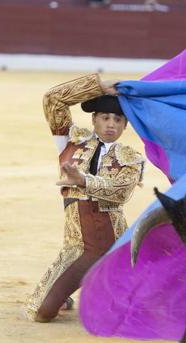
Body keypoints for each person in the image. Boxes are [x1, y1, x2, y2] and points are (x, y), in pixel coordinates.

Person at [22, 74, 145, 322]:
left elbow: (121, 191)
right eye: (105, 118)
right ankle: (65, 292)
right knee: (41, 313)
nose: (111, 124)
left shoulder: (132, 157)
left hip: (112, 246)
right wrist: (96, 86)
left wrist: (84, 181)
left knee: (131, 312)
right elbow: (53, 100)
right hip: (78, 245)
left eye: (118, 120)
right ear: (94, 120)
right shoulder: (71, 141)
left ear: (125, 125)